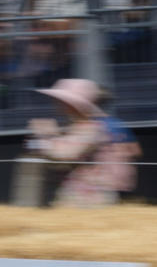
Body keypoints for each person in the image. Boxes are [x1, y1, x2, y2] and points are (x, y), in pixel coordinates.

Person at [24, 77, 119, 206]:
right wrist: (40, 140)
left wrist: (45, 136)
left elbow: (66, 154)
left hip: (89, 200)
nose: (57, 102)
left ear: (73, 104)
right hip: (74, 197)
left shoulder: (93, 129)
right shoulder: (74, 127)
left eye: (62, 100)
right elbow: (53, 156)